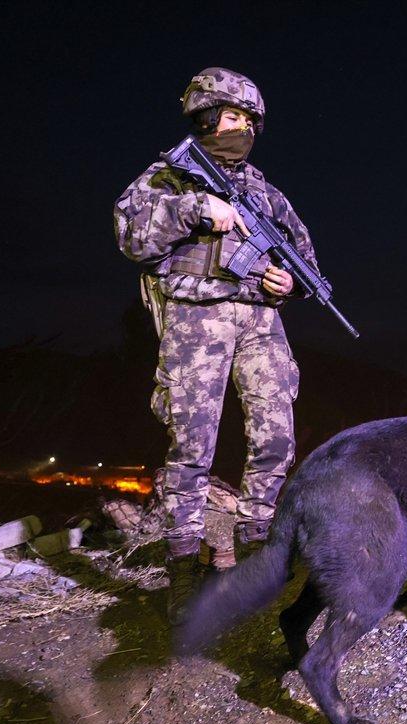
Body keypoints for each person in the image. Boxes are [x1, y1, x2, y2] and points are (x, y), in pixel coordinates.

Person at [113, 67, 316, 622]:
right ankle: (183, 566)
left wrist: (290, 284)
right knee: (191, 444)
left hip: (260, 320)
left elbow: (302, 254)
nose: (241, 129)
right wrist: (196, 210)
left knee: (276, 433)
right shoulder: (171, 177)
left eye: (249, 121)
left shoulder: (266, 192)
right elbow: (131, 237)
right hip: (196, 318)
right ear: (204, 118)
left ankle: (258, 546)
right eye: (231, 117)